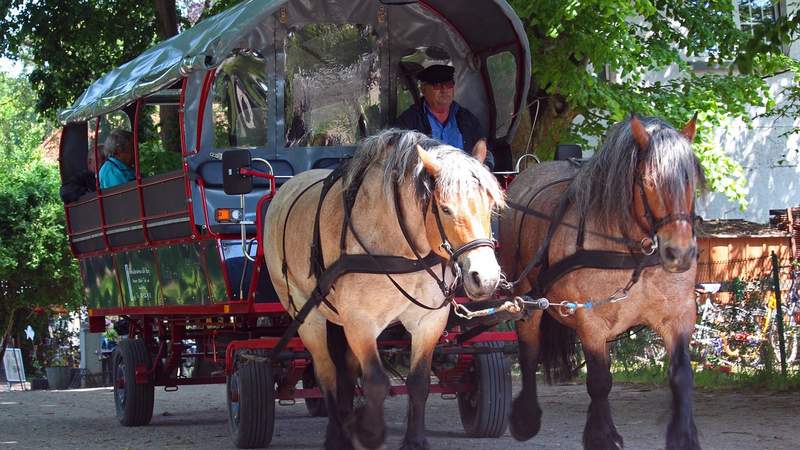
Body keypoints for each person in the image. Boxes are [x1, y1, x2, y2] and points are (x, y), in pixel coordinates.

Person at [395, 64, 494, 170]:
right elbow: (399, 157)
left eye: (449, 84)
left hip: (465, 181)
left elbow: (482, 145)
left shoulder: (466, 118)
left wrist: (478, 168)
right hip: (426, 182)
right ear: (423, 90)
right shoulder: (409, 120)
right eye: (437, 85)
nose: (444, 90)